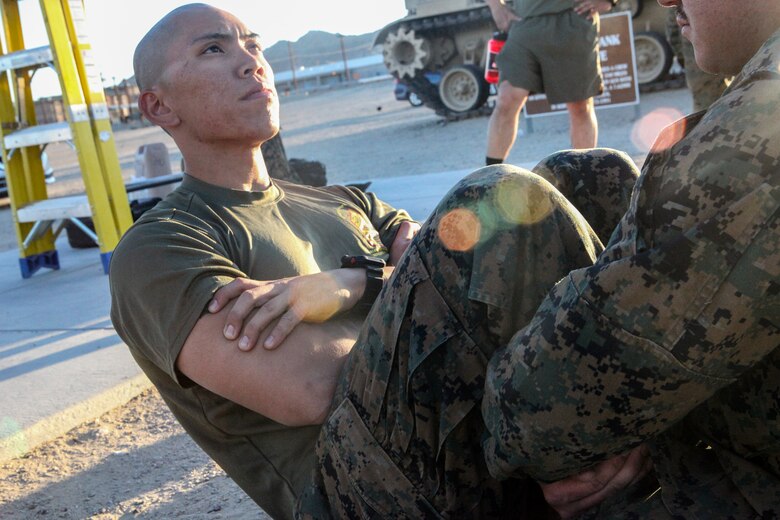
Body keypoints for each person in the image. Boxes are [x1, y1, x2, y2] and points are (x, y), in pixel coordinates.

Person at [110, 4, 642, 519]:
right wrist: (381, 282)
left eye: (253, 45)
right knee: (494, 191)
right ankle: (581, 451)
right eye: (212, 49)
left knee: (592, 174)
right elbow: (311, 386)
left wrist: (350, 285)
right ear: (159, 107)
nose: (250, 61)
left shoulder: (348, 202)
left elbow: (452, 267)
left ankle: (624, 432)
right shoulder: (161, 248)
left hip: (464, 422)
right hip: (365, 489)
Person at [483, 0, 616, 166]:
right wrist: (495, 6)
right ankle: (491, 179)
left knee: (580, 106)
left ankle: (581, 177)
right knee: (506, 98)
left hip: (573, 19)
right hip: (524, 20)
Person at [666, 8, 730, 112]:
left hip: (696, 68)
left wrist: (683, 58)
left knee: (705, 110)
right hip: (720, 60)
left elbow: (672, 34)